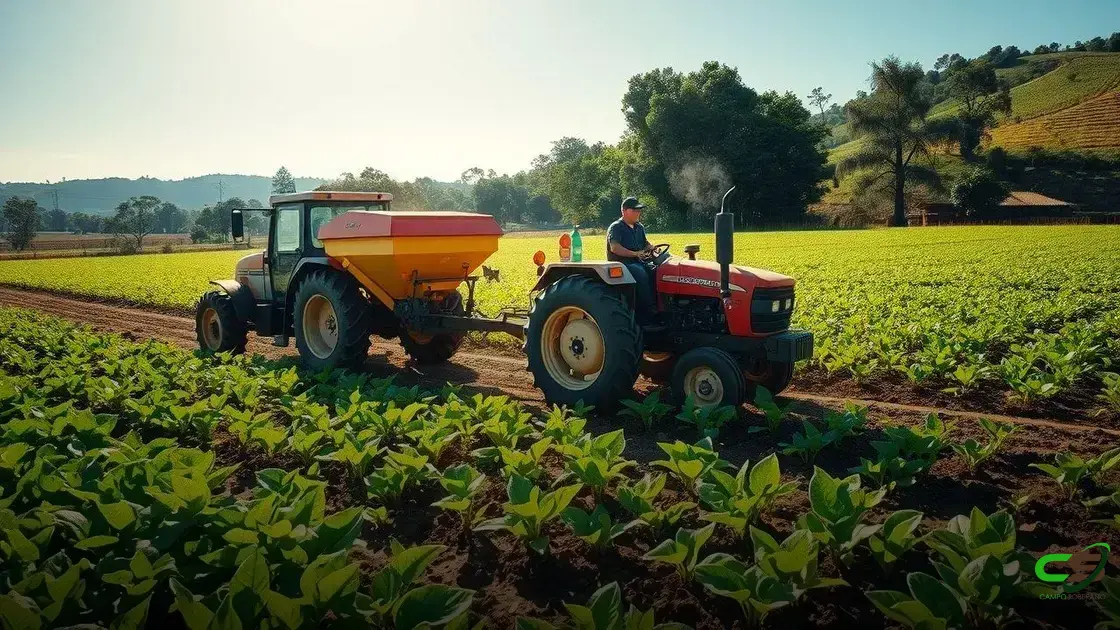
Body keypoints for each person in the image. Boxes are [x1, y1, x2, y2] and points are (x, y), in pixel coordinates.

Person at [607, 197, 657, 320]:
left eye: (639, 210)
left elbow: (645, 243)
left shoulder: (639, 227)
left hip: (639, 261)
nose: (638, 213)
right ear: (624, 211)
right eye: (635, 210)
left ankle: (661, 304)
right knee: (640, 273)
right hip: (623, 264)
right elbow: (615, 248)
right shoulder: (616, 227)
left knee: (659, 269)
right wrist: (635, 254)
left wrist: (653, 248)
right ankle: (648, 309)